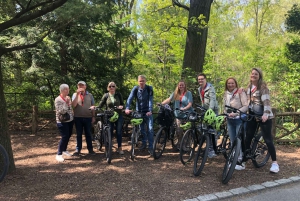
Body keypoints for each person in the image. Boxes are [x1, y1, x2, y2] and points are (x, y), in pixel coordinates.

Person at [244, 68, 279, 173]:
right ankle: (244, 160)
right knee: (248, 137)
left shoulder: (263, 87)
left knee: (268, 139)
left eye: (256, 74)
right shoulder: (249, 87)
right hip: (252, 116)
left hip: (263, 116)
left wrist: (266, 114)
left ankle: (275, 163)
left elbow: (267, 102)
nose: (253, 75)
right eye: (252, 73)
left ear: (259, 76)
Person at [90, 82, 125, 155]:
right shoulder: (106, 95)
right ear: (108, 88)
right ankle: (108, 147)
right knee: (109, 131)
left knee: (118, 131)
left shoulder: (118, 95)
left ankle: (119, 147)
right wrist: (95, 107)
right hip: (109, 115)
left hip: (118, 115)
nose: (111, 87)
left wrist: (121, 107)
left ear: (115, 87)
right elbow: (100, 105)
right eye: (110, 86)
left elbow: (122, 104)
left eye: (113, 86)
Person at [222, 77, 248, 169]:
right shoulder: (226, 94)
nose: (230, 85)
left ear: (235, 84)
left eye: (232, 83)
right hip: (230, 120)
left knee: (239, 140)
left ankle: (241, 160)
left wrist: (236, 113)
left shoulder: (240, 92)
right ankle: (234, 159)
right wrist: (225, 114)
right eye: (229, 83)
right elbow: (225, 106)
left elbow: (245, 106)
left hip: (238, 119)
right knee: (232, 140)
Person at [125, 75, 154, 156]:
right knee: (142, 130)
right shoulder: (135, 89)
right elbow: (130, 98)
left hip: (148, 112)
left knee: (150, 129)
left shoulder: (149, 88)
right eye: (140, 81)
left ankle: (151, 147)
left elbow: (150, 100)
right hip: (139, 112)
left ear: (145, 81)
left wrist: (150, 110)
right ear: (138, 81)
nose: (141, 82)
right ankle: (144, 144)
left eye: (143, 81)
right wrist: (127, 108)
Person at [161, 80, 193, 150]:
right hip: (178, 115)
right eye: (180, 85)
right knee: (179, 130)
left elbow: (190, 103)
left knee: (187, 130)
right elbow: (169, 100)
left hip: (187, 114)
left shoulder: (188, 93)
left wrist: (185, 108)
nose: (181, 86)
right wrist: (161, 104)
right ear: (178, 86)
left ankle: (186, 146)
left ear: (185, 86)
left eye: (182, 85)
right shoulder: (175, 93)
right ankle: (180, 144)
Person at [197, 73, 219, 158]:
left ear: (205, 79)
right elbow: (203, 101)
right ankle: (207, 146)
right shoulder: (199, 89)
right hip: (205, 110)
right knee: (203, 128)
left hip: (212, 110)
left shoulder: (210, 88)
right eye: (199, 79)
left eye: (202, 79)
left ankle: (212, 150)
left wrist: (210, 111)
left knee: (212, 130)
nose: (200, 80)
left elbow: (212, 100)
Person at [71, 81, 96, 156]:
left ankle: (90, 149)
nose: (81, 87)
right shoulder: (75, 95)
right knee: (79, 134)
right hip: (78, 117)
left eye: (82, 85)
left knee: (88, 134)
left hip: (88, 117)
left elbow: (93, 106)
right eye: (79, 85)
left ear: (85, 86)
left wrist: (93, 116)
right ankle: (78, 149)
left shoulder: (90, 95)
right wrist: (77, 94)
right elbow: (74, 105)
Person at [55, 84, 74, 162]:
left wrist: (72, 113)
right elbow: (62, 111)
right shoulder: (58, 99)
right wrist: (66, 103)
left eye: (68, 89)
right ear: (62, 90)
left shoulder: (68, 98)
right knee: (64, 136)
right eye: (66, 89)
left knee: (68, 135)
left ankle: (64, 150)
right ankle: (59, 154)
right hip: (62, 121)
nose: (68, 90)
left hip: (70, 120)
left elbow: (70, 108)